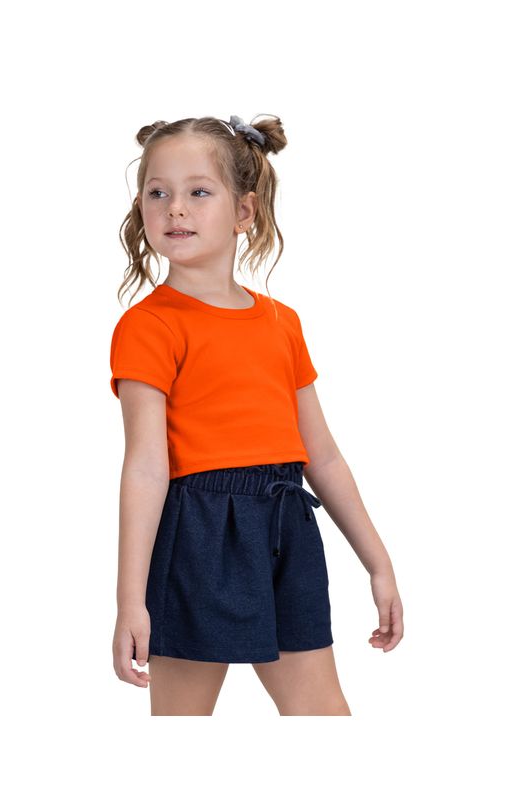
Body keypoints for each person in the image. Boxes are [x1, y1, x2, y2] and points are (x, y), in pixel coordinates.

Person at [109, 114, 404, 716]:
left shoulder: (281, 323)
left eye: (198, 191)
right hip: (199, 533)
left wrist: (378, 563)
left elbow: (322, 456)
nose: (175, 208)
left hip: (286, 527)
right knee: (182, 724)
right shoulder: (148, 326)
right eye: (157, 192)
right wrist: (130, 600)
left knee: (322, 714)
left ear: (244, 211)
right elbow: (145, 467)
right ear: (141, 208)